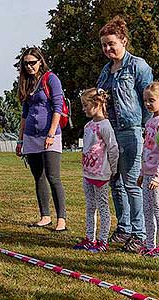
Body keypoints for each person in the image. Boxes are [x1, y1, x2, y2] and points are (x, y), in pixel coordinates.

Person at [97, 16, 153, 253]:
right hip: (111, 132)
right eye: (104, 45)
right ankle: (124, 227)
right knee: (115, 183)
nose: (107, 49)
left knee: (132, 184)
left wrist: (148, 132)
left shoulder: (137, 66)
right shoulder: (106, 71)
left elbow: (150, 99)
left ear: (124, 41)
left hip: (133, 132)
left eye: (111, 43)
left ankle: (140, 234)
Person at [15, 47, 67, 231]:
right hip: (30, 136)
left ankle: (61, 219)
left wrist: (51, 133)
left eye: (32, 63)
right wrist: (20, 140)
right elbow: (24, 113)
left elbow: (57, 107)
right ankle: (45, 216)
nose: (29, 66)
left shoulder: (51, 79)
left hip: (49, 135)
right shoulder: (26, 82)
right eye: (26, 63)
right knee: (39, 177)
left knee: (53, 177)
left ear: (40, 62)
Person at [73, 88, 119, 252]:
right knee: (90, 207)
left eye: (86, 105)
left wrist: (113, 170)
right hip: (88, 174)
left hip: (101, 176)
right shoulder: (88, 126)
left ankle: (102, 241)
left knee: (103, 208)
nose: (84, 109)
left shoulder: (105, 126)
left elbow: (113, 148)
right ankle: (89, 238)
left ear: (97, 103)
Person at [137, 82, 159, 257]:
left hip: (156, 178)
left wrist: (157, 177)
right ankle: (150, 244)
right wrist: (142, 173)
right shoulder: (150, 122)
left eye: (151, 100)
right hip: (147, 175)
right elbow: (146, 149)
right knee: (147, 211)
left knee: (158, 211)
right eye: (145, 100)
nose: (147, 104)